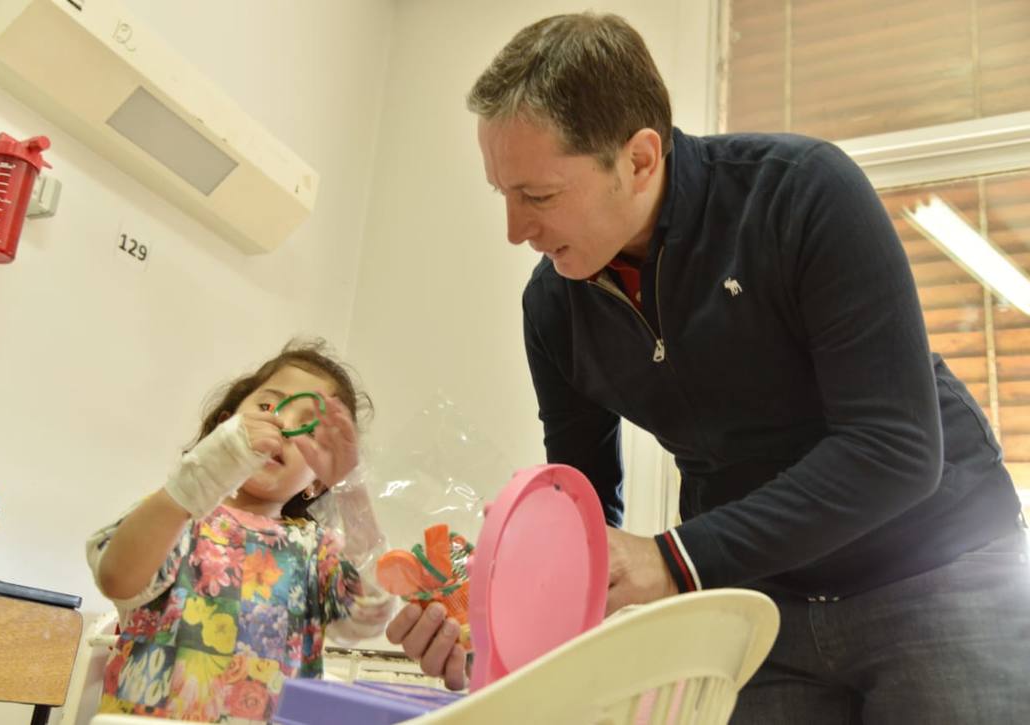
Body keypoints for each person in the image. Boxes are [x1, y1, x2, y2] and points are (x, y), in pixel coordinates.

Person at [386, 12, 1030, 720]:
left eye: (537, 196)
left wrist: (672, 559)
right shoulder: (554, 308)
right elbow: (586, 517)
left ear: (638, 157)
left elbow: (897, 449)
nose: (515, 231)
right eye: (502, 194)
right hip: (761, 605)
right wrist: (492, 623)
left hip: (941, 571)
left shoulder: (801, 194)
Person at [87, 340, 392, 723]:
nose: (282, 424)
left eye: (309, 429)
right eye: (267, 406)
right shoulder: (176, 517)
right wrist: (199, 478)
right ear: (223, 428)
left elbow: (366, 619)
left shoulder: (319, 551)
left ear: (316, 484)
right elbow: (117, 576)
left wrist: (353, 491)